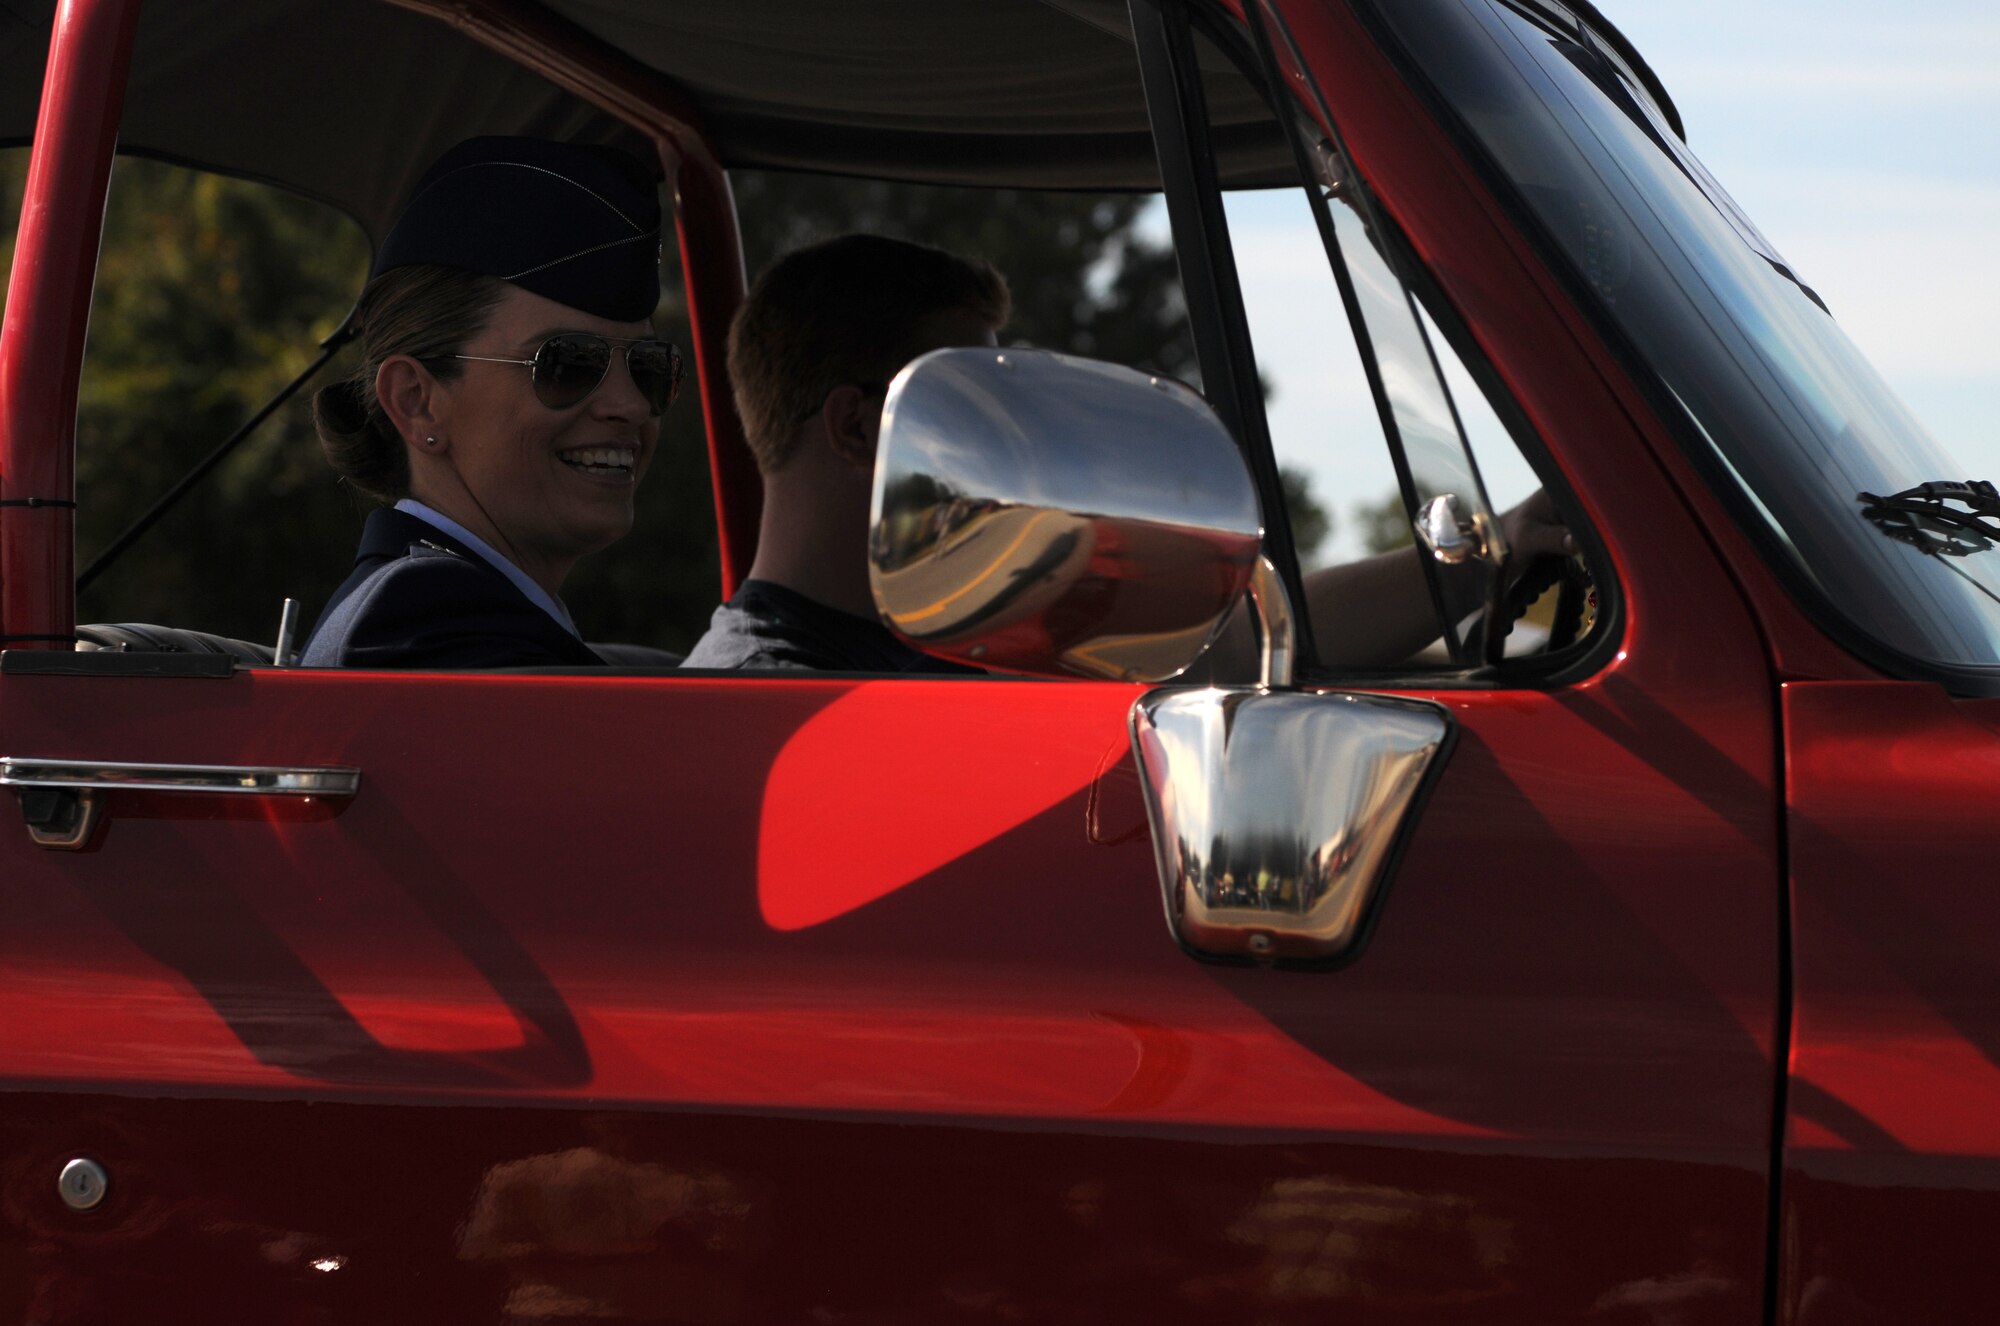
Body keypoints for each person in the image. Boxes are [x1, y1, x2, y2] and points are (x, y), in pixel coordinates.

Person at [301, 136, 680, 669]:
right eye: (568, 364)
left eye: (649, 367)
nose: (632, 405)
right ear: (417, 402)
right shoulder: (427, 630)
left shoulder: (488, 617)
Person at [681, 234, 1004, 672]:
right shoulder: (764, 717)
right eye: (966, 408)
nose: (995, 445)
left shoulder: (957, 655)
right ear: (856, 428)